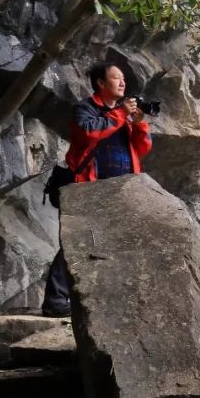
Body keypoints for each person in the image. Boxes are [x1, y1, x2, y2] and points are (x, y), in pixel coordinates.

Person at [41, 62, 153, 317]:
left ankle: (98, 300)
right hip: (88, 188)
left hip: (120, 189)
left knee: (112, 244)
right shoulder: (85, 109)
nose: (123, 83)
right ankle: (56, 302)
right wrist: (121, 114)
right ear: (101, 83)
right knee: (77, 242)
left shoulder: (123, 115)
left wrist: (139, 123)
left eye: (124, 79)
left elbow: (143, 148)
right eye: (116, 79)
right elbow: (90, 133)